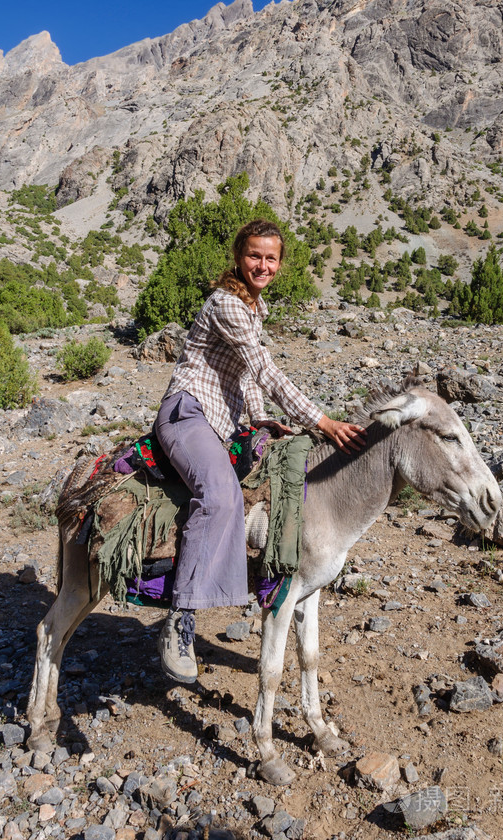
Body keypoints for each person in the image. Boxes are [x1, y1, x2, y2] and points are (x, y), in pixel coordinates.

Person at [154, 219, 367, 683]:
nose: (263, 265)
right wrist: (322, 421)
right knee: (221, 496)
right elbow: (266, 371)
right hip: (188, 414)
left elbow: (247, 380)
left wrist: (259, 420)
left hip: (223, 421)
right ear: (238, 256)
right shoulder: (228, 303)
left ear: (281, 263)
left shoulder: (254, 307)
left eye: (271, 258)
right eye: (255, 255)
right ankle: (180, 620)